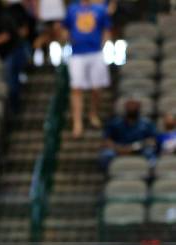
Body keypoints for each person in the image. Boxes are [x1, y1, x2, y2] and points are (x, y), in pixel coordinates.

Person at [62, 0, 111, 138]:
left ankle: (93, 113)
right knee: (76, 88)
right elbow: (65, 28)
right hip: (77, 54)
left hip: (96, 52)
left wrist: (104, 45)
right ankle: (77, 122)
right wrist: (66, 38)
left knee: (97, 87)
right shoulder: (72, 9)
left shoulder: (100, 9)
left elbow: (106, 29)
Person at [100, 98, 156, 170]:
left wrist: (133, 148)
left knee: (150, 153)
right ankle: (108, 176)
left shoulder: (147, 123)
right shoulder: (115, 123)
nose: (132, 107)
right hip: (118, 149)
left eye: (134, 105)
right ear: (125, 107)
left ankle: (150, 176)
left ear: (139, 107)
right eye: (130, 105)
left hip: (139, 150)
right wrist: (119, 148)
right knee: (107, 154)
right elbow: (107, 140)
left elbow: (152, 140)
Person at [33, 0, 66, 65]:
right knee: (44, 37)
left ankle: (61, 59)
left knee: (59, 37)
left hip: (58, 13)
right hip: (45, 15)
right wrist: (37, 11)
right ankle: (44, 59)